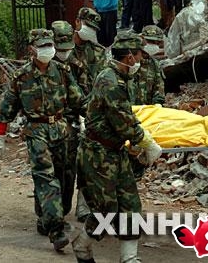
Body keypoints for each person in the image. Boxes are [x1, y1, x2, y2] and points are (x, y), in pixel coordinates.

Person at [71, 31, 162, 263]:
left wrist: (133, 144)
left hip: (115, 151)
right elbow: (123, 121)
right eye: (139, 55)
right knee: (105, 210)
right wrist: (147, 143)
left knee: (131, 204)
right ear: (130, 57)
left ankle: (129, 258)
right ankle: (82, 246)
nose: (141, 60)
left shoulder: (119, 78)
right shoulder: (110, 81)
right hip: (98, 155)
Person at [0, 28, 83, 252]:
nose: (47, 50)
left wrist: (85, 119)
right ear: (32, 49)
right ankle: (56, 230)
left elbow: (78, 99)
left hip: (61, 130)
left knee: (64, 178)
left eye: (49, 45)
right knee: (46, 179)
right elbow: (7, 108)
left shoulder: (61, 71)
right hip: (36, 130)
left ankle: (45, 217)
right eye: (42, 46)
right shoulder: (21, 77)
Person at [70, 7, 107, 221]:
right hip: (67, 113)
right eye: (87, 26)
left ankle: (84, 205)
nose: (89, 31)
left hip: (90, 114)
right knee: (66, 163)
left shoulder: (99, 53)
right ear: (77, 23)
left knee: (88, 160)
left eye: (93, 28)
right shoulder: (63, 49)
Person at [51, 20, 80, 220]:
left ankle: (64, 207)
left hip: (70, 123)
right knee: (47, 171)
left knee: (68, 169)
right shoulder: (42, 66)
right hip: (46, 126)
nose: (64, 52)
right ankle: (48, 214)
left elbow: (80, 95)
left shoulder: (76, 64)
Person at [132, 25, 165, 106]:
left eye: (156, 42)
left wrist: (157, 103)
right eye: (150, 41)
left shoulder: (155, 65)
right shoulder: (131, 60)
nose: (153, 45)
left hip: (146, 111)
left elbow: (159, 88)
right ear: (142, 40)